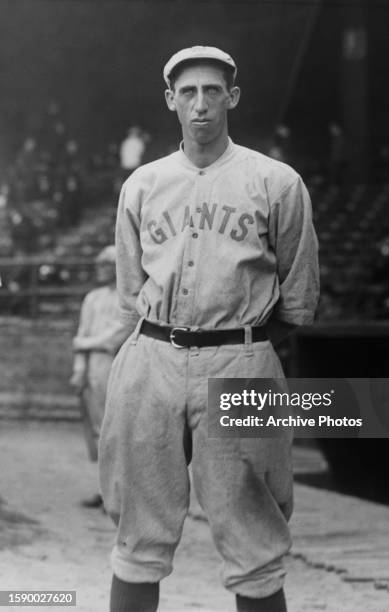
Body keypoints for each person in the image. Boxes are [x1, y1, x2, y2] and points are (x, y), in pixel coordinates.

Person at [99, 45, 320, 612]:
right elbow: (129, 292)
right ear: (171, 100)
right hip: (153, 356)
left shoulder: (277, 181)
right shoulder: (142, 185)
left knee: (253, 534)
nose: (201, 104)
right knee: (137, 532)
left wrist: (240, 347)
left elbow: (297, 298)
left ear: (232, 97)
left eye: (212, 91)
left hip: (240, 360)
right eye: (188, 92)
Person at [69, 245, 125, 508]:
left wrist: (84, 343)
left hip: (118, 365)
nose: (101, 268)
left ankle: (119, 495)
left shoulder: (129, 299)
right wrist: (79, 371)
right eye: (99, 263)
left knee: (118, 431)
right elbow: (81, 335)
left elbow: (116, 337)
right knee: (99, 431)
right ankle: (105, 491)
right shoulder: (92, 298)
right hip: (94, 369)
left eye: (107, 263)